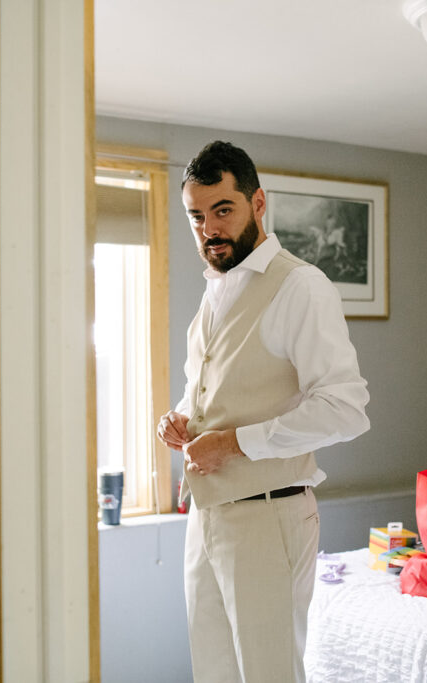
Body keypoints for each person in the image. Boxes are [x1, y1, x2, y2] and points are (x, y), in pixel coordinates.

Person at [156, 141, 370, 683]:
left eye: (222, 210)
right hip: (206, 518)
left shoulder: (300, 286)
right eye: (196, 216)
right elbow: (210, 391)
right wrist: (182, 420)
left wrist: (232, 443)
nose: (209, 229)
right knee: (213, 672)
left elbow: (345, 409)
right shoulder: (213, 294)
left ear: (258, 203)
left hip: (269, 513)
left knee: (267, 675)